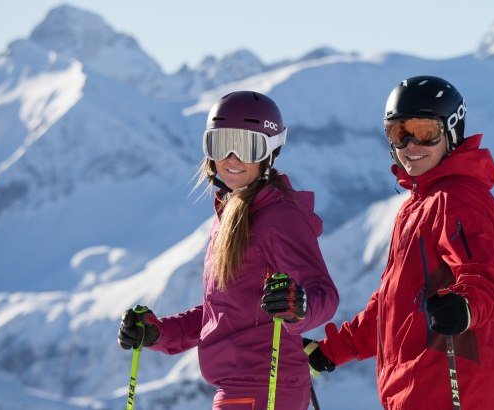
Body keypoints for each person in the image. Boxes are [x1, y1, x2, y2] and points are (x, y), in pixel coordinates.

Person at [117, 91, 339, 409]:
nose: (232, 158)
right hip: (243, 387)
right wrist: (158, 334)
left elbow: (324, 295)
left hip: (265, 386)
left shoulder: (278, 217)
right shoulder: (232, 215)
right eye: (221, 145)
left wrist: (299, 308)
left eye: (248, 146)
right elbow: (223, 312)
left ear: (270, 152)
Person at [303, 75, 494, 409]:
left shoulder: (458, 198)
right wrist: (333, 350)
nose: (411, 146)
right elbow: (394, 304)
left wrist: (464, 307)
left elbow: (485, 279)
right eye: (399, 133)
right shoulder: (418, 205)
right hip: (415, 394)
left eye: (424, 132)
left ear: (452, 131)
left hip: (451, 395)